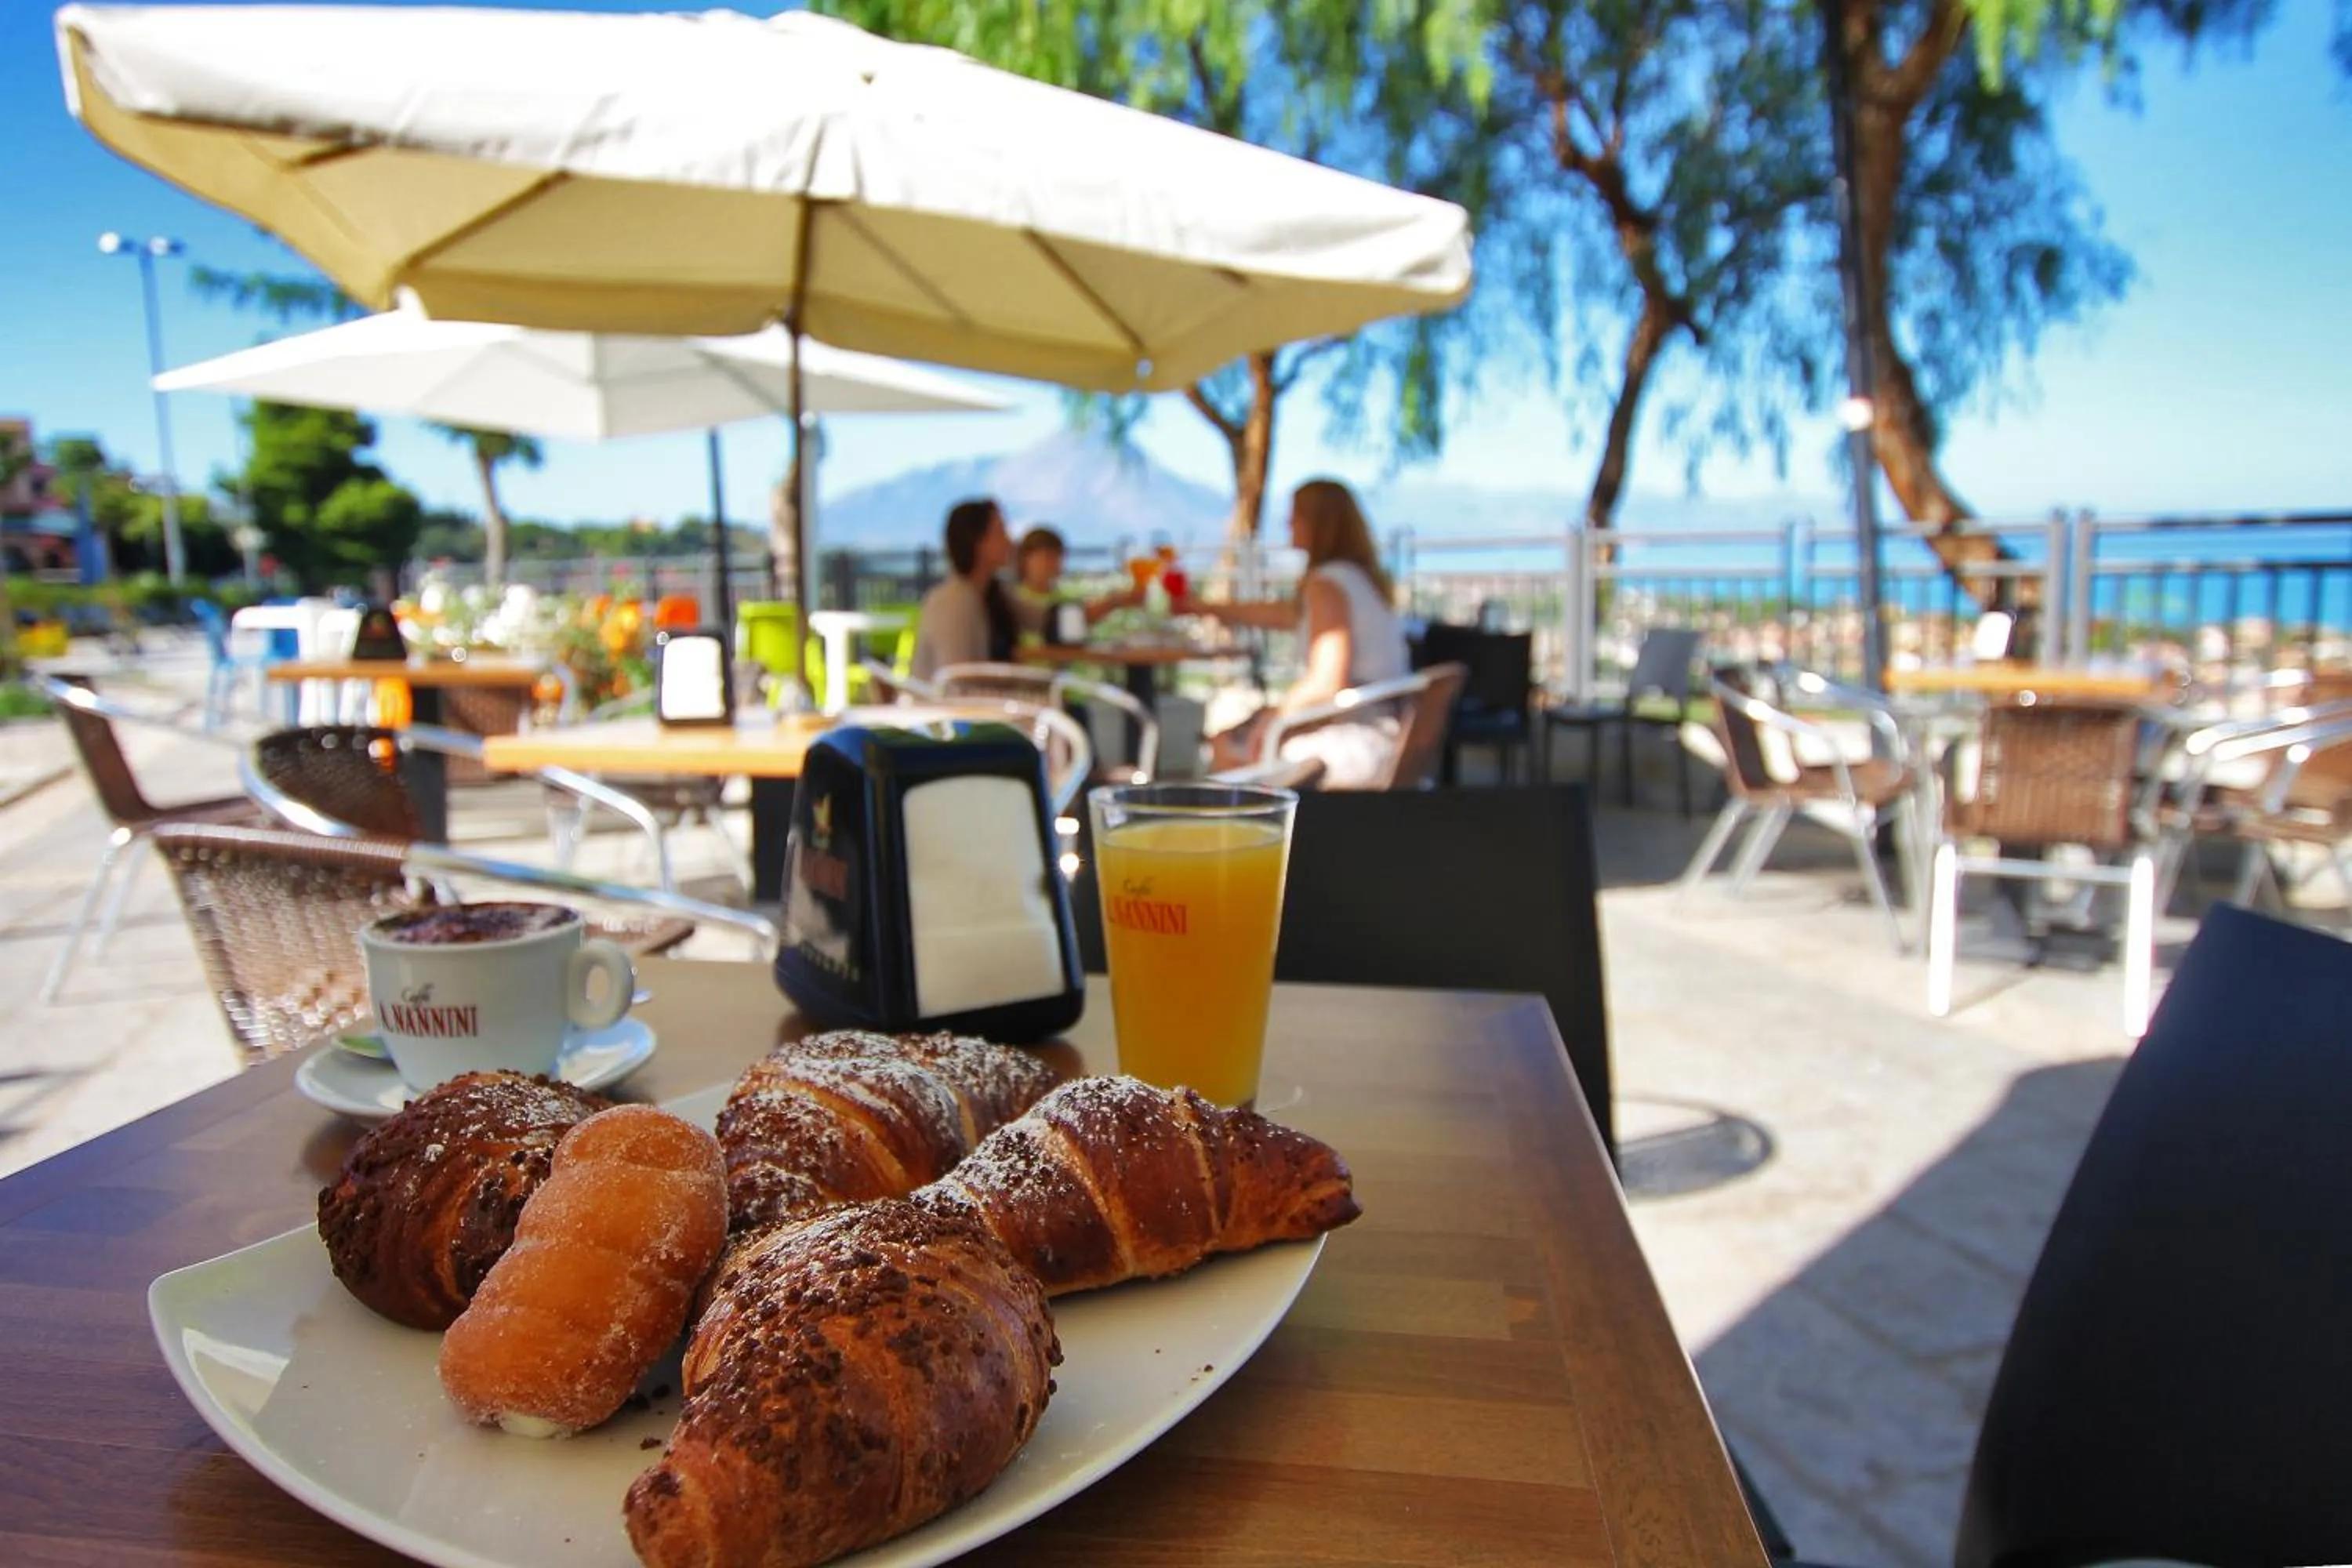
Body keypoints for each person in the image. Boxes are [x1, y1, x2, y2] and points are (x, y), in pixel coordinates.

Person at [1187, 478, 1411, 787]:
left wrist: (1274, 718)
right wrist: (1202, 607)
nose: (1288, 522)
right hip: (1386, 727)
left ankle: (1243, 832)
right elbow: (1282, 614)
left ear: (1321, 524)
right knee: (1235, 735)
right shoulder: (1355, 579)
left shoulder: (1327, 584)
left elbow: (1327, 682)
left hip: (1361, 739)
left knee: (1228, 747)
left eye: (1296, 515)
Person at [910, 498, 1022, 682]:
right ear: (977, 542)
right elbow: (956, 683)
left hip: (979, 706)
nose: (1010, 542)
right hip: (947, 709)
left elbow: (1039, 616)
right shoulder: (952, 603)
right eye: (1000, 533)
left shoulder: (992, 594)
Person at [1013, 524, 1142, 632]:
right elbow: (1075, 618)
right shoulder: (1014, 600)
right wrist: (1116, 601)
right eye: (1046, 556)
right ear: (1025, 559)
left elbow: (1083, 617)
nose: (1052, 563)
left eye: (1057, 556)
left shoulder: (1065, 596)